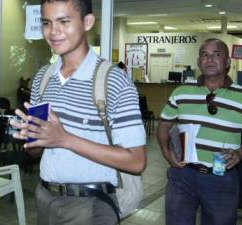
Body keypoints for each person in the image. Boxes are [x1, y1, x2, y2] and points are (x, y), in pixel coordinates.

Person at [10, 1, 147, 225]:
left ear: (87, 22)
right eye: (47, 23)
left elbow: (136, 161)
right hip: (45, 197)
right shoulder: (43, 79)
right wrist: (32, 139)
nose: (53, 32)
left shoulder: (114, 81)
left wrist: (64, 139)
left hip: (91, 205)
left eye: (64, 22)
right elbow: (37, 151)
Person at [157, 38, 242, 225]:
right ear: (199, 62)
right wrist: (167, 153)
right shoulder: (181, 91)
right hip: (182, 175)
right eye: (205, 55)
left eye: (216, 55)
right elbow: (164, 124)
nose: (210, 60)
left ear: (227, 62)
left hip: (222, 178)